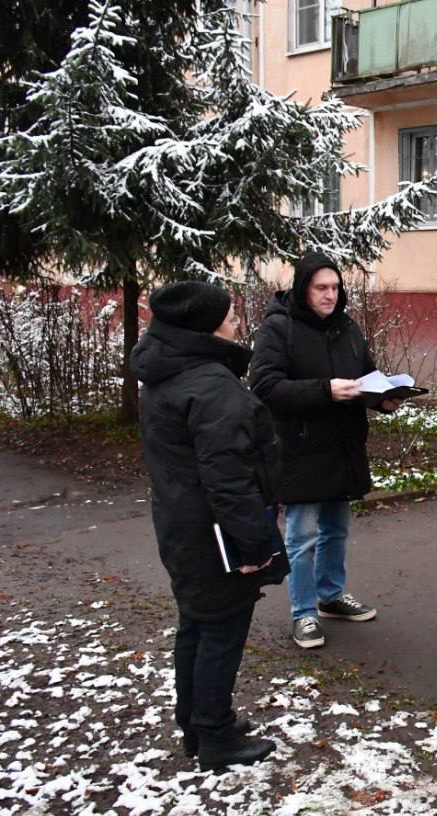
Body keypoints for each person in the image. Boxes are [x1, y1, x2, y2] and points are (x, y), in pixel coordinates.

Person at [132, 281, 285, 771]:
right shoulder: (211, 386)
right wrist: (256, 544)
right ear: (206, 328)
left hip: (180, 524)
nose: (238, 323)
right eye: (230, 317)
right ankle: (215, 737)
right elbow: (229, 481)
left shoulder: (165, 371)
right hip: (216, 535)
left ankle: (197, 722)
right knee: (221, 628)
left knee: (197, 623)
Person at [249, 252, 398, 649]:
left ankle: (331, 596)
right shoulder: (278, 328)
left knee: (336, 529)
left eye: (335, 287)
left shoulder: (346, 327)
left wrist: (384, 398)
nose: (330, 295)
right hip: (300, 449)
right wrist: (324, 390)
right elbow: (264, 385)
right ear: (303, 289)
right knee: (302, 536)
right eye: (321, 288)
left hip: (342, 446)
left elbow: (365, 377)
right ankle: (304, 612)